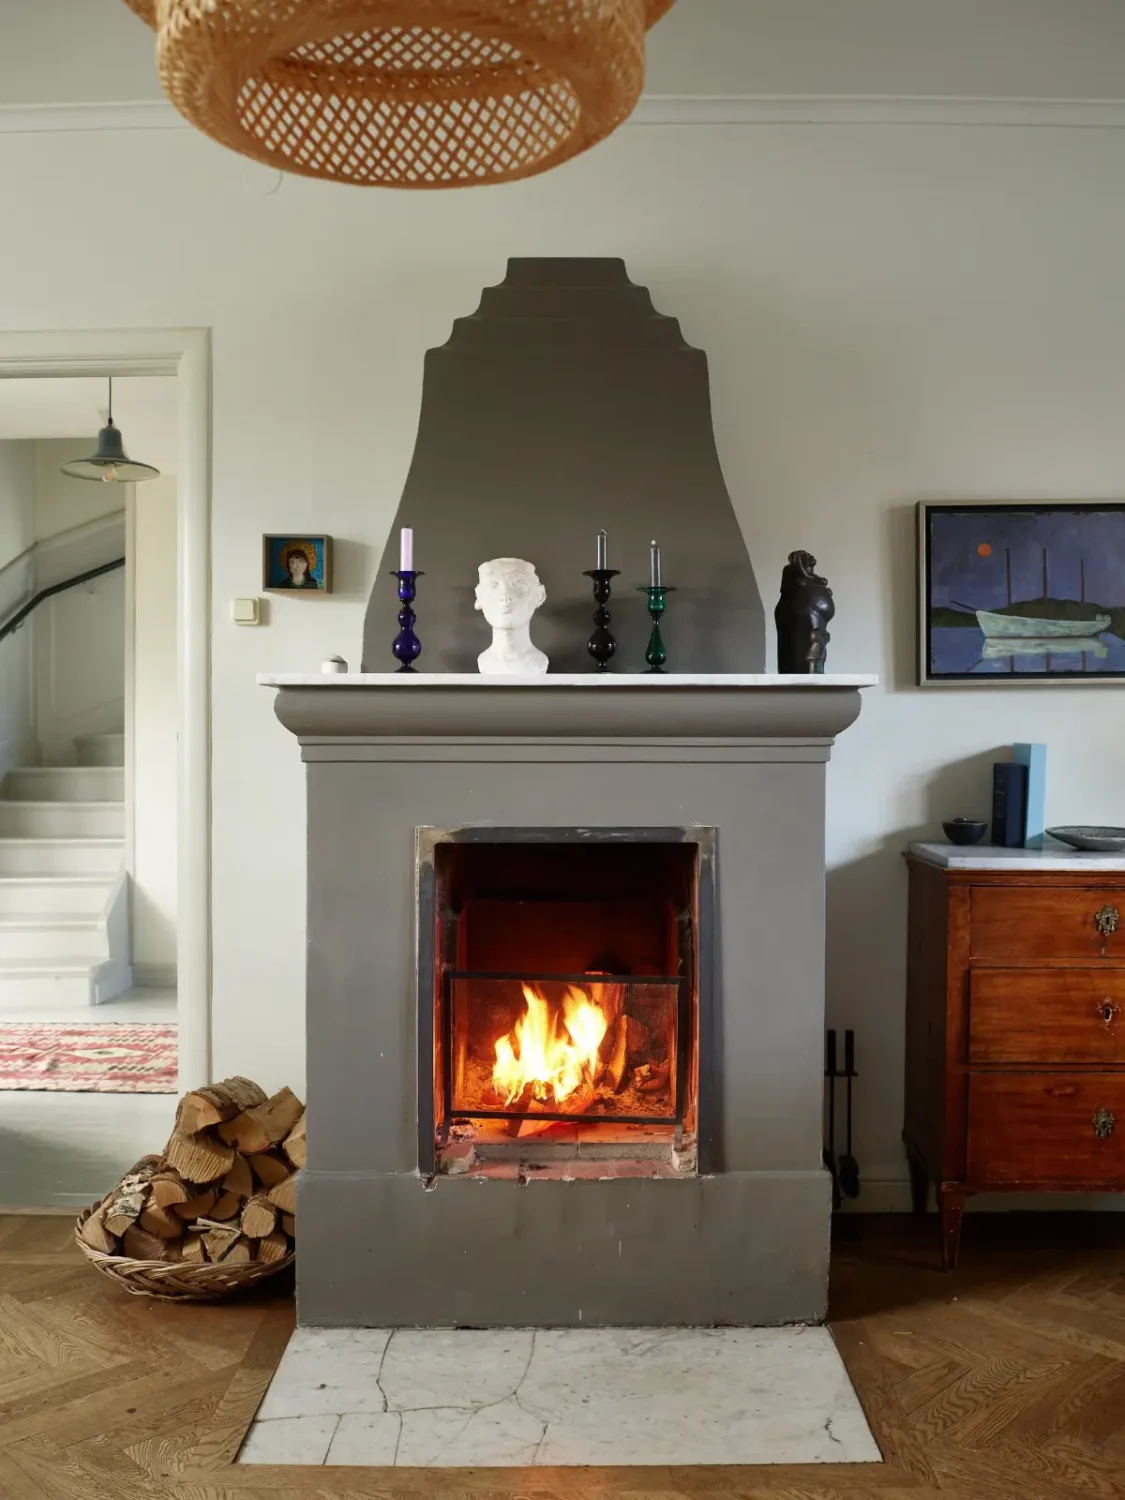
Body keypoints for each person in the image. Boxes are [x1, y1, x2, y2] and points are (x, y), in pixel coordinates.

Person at [474, 558, 548, 675]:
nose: (505, 595)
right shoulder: (485, 662)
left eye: (519, 583)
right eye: (493, 585)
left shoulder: (539, 662)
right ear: (479, 596)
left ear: (540, 595)